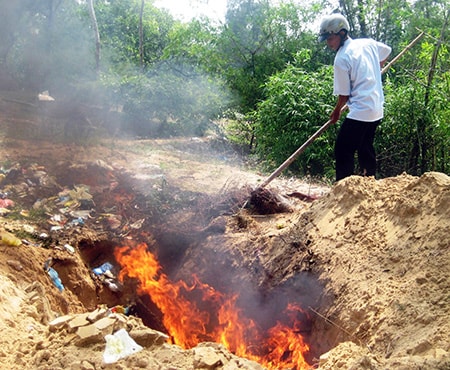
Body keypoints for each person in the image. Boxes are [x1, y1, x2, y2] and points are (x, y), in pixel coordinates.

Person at [319, 13, 392, 181]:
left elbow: (344, 95)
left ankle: (343, 188)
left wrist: (336, 111)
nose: (328, 44)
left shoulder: (341, 59)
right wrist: (377, 65)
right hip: (376, 109)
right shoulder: (367, 43)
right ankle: (370, 180)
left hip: (361, 110)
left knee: (343, 149)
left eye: (330, 39)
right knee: (364, 146)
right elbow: (387, 50)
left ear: (342, 33)